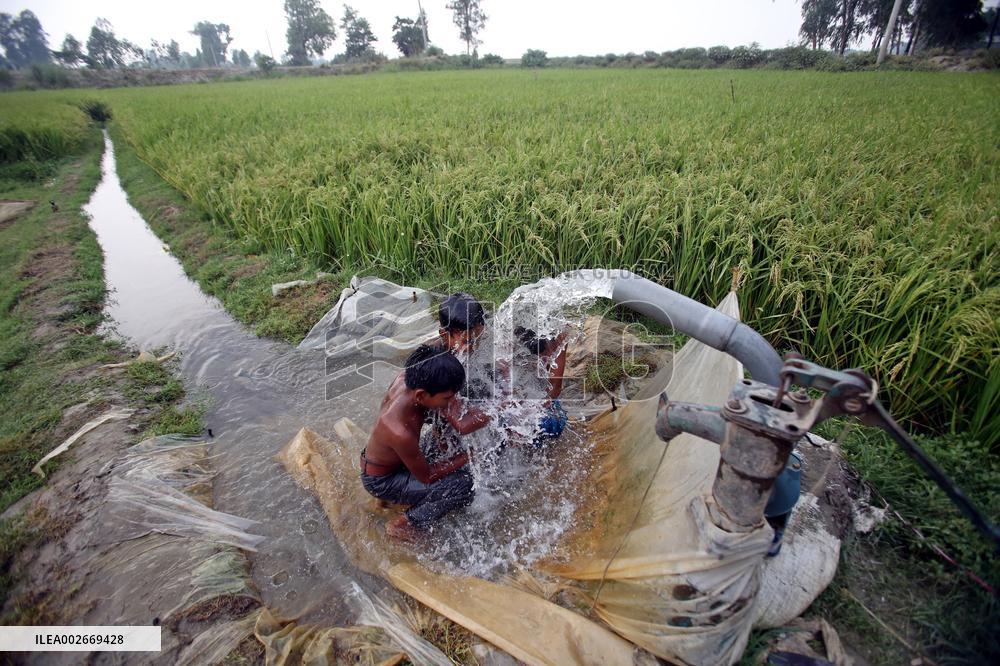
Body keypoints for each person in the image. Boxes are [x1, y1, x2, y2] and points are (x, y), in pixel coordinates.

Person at [360, 345, 491, 541]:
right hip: (381, 480)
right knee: (463, 485)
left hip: (389, 460)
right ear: (421, 395)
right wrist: (468, 455)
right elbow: (427, 476)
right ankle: (405, 523)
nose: (453, 401)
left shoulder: (408, 378)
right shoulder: (399, 430)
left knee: (444, 439)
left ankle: (389, 500)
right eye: (448, 397)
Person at [513, 326, 569, 444]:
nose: (548, 355)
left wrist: (535, 410)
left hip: (540, 389)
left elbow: (555, 387)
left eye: (548, 352)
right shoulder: (510, 343)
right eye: (540, 355)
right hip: (519, 380)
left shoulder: (560, 337)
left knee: (552, 424)